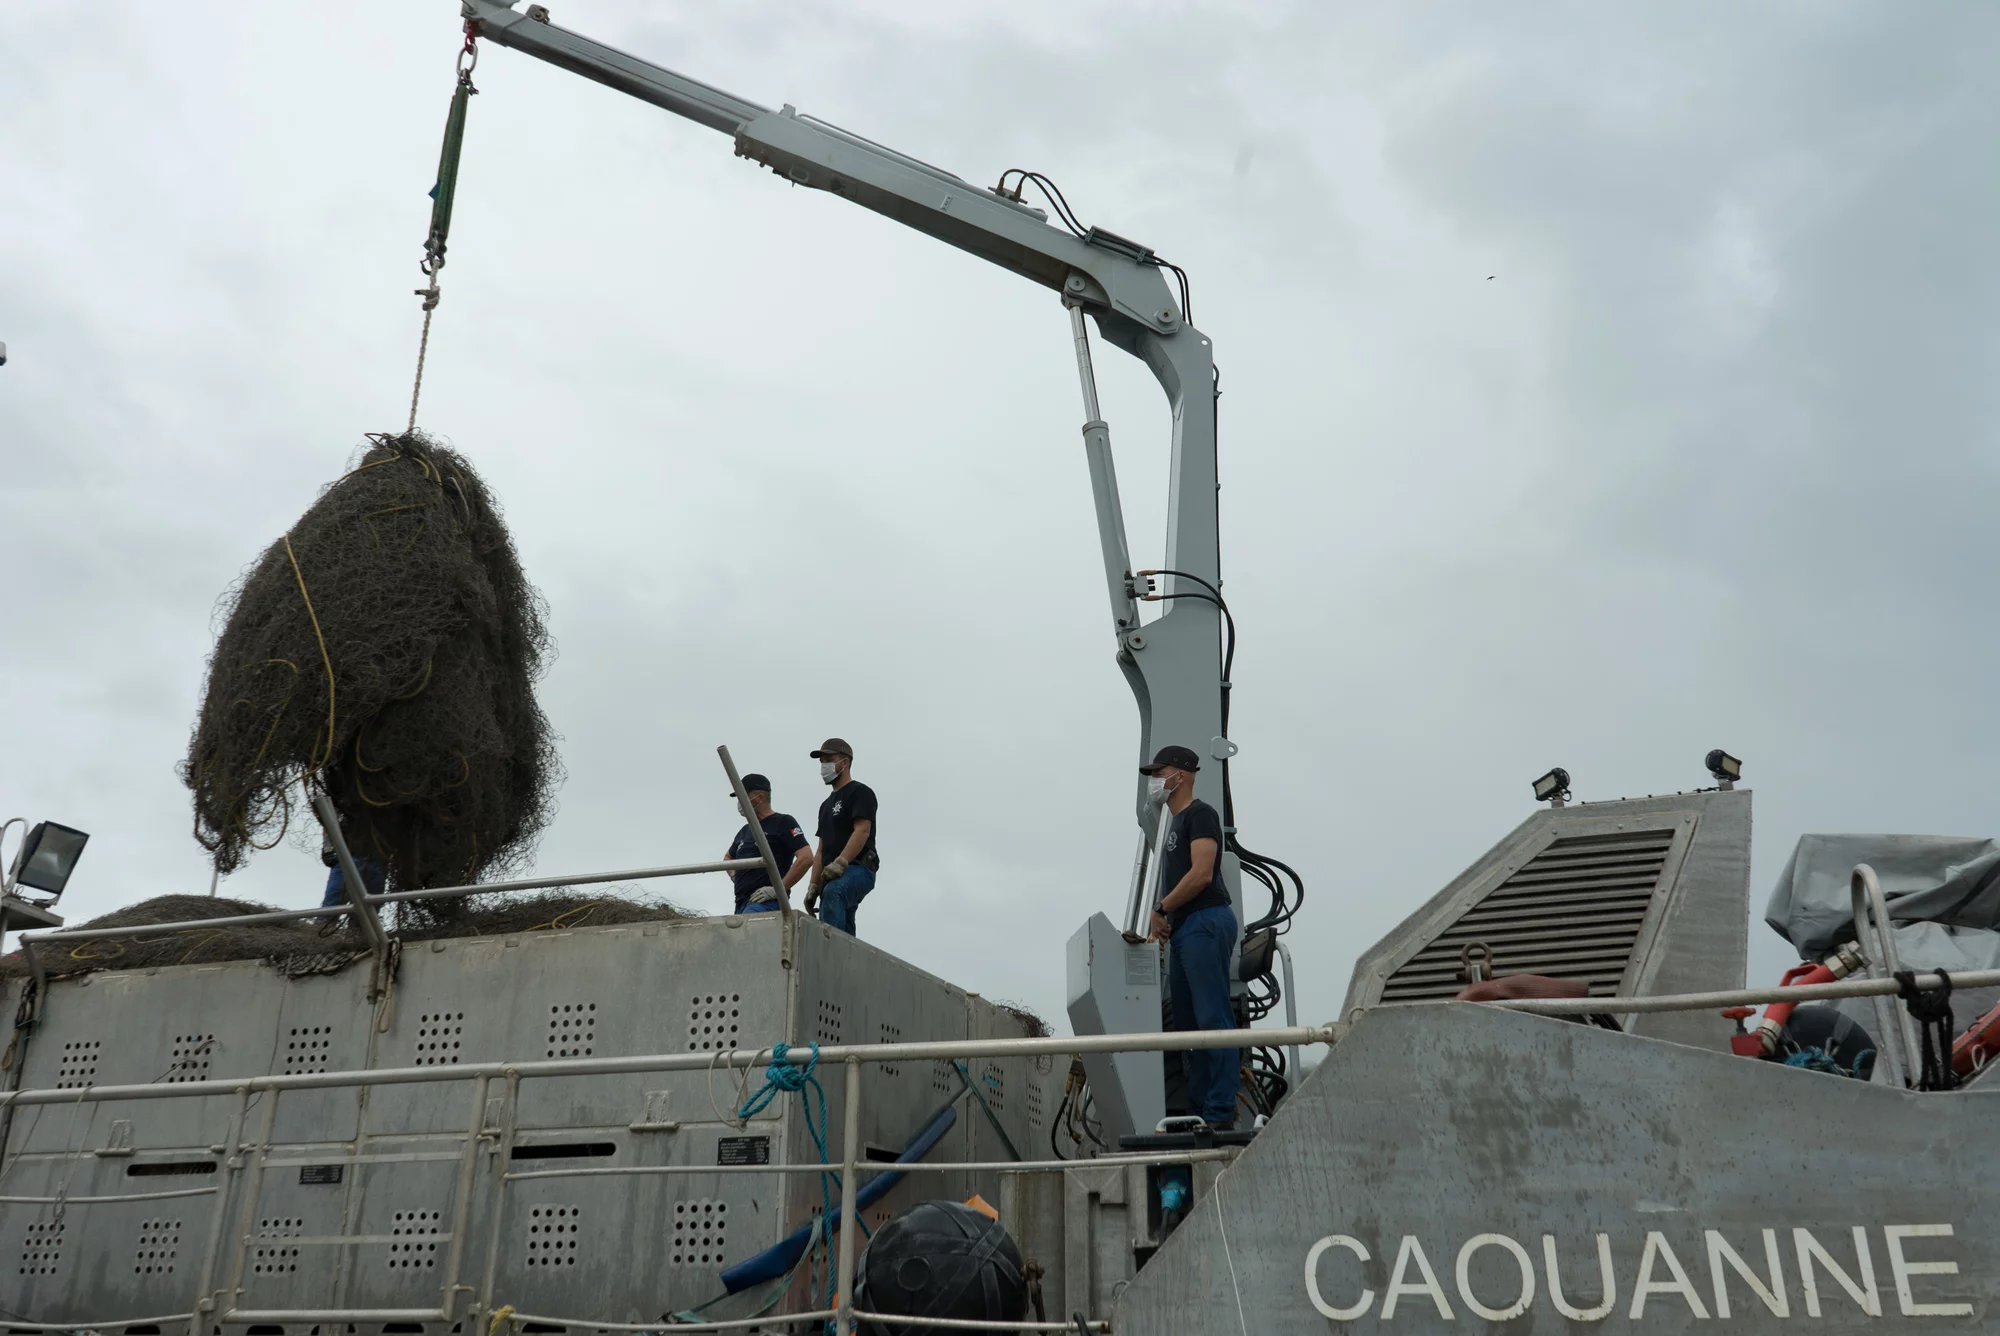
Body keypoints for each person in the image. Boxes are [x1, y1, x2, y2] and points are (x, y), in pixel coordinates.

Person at [1142, 744, 1240, 1129]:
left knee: (1213, 1019)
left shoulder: (1200, 814)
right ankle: (1199, 1110)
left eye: (1159, 772)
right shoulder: (1174, 824)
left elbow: (1202, 874)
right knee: (1188, 1025)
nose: (1155, 781)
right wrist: (1167, 919)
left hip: (1205, 922)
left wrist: (1162, 909)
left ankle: (1218, 1114)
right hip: (1186, 929)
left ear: (1179, 775)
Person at [806, 737, 878, 936]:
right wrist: (813, 885)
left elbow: (862, 830)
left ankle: (829, 953)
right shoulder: (825, 806)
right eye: (821, 761)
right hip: (831, 875)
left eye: (828, 759)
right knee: (843, 919)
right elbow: (821, 849)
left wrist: (841, 862)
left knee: (834, 893)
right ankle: (847, 962)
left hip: (859, 868)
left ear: (844, 763)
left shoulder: (860, 792)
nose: (824, 765)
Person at [724, 773, 812, 914]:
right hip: (741, 903)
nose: (739, 802)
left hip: (767, 902)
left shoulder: (782, 822)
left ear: (760, 798)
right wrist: (735, 877)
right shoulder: (745, 831)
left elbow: (806, 858)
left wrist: (779, 889)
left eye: (743, 796)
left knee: (748, 931)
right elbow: (728, 858)